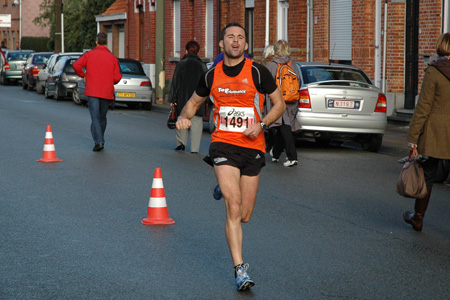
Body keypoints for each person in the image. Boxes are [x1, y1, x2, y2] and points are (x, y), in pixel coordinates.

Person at [176, 22, 285, 291]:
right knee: (233, 206)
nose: (235, 41)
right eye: (230, 37)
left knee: (245, 215)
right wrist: (182, 117)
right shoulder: (211, 75)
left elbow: (280, 104)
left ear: (246, 45)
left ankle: (224, 187)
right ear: (222, 45)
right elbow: (193, 103)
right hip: (223, 145)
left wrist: (262, 124)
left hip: (253, 146)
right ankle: (239, 270)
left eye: (240, 37)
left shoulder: (258, 72)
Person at [403, 32, 450, 231]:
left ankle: (418, 218)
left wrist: (413, 138)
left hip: (435, 134)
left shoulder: (434, 72)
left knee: (428, 177)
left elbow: (423, 107)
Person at [73, 32, 122, 152]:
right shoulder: (112, 58)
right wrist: (110, 81)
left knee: (95, 117)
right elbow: (118, 77)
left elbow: (76, 65)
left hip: (93, 90)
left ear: (96, 42)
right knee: (102, 117)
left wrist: (83, 75)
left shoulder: (89, 55)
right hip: (106, 91)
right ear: (107, 42)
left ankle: (99, 141)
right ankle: (100, 138)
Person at [265, 40, 301, 167]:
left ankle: (292, 157)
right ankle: (275, 154)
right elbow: (299, 81)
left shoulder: (272, 65)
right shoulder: (293, 64)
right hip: (292, 99)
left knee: (285, 127)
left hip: (277, 100)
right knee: (283, 125)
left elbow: (266, 84)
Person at [169, 40, 207, 153]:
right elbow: (206, 83)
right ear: (198, 52)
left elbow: (175, 83)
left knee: (182, 117)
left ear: (186, 50)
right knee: (197, 122)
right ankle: (195, 148)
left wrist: (172, 99)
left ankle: (181, 143)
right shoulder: (202, 65)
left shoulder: (181, 64)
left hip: (183, 98)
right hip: (198, 98)